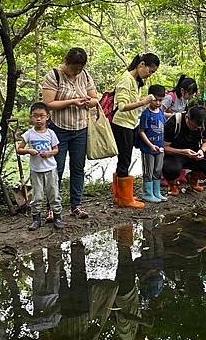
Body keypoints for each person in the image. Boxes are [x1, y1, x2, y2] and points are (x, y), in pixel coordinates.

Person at [42, 47, 99, 219]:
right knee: (56, 169)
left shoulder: (85, 75)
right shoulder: (54, 76)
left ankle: (77, 205)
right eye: (74, 69)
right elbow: (48, 103)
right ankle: (52, 206)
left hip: (80, 128)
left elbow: (96, 98)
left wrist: (89, 102)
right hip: (58, 129)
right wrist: (72, 101)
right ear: (67, 63)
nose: (76, 73)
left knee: (77, 168)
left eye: (80, 69)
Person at [111, 53, 160, 209]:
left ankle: (121, 195)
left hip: (131, 124)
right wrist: (143, 102)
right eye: (150, 71)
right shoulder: (126, 80)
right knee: (124, 159)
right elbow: (122, 106)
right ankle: (125, 199)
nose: (149, 74)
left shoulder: (135, 81)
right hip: (122, 125)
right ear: (142, 64)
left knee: (125, 159)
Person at [16, 102, 63, 230]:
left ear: (47, 116)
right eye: (35, 116)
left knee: (54, 194)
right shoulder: (29, 134)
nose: (38, 119)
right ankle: (36, 219)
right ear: (31, 117)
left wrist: (49, 154)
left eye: (41, 116)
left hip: (50, 169)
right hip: (36, 170)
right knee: (37, 196)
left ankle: (58, 217)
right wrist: (29, 151)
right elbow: (19, 149)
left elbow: (56, 149)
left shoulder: (51, 133)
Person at [163, 106, 206, 196]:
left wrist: (202, 151)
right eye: (193, 126)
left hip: (195, 152)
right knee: (172, 169)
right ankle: (172, 185)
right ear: (187, 117)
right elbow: (165, 148)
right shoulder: (174, 121)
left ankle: (193, 178)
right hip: (174, 153)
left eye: (197, 127)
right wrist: (183, 151)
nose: (195, 129)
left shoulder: (203, 123)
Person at [137, 84, 167, 203]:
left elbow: (163, 126)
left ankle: (156, 191)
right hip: (148, 149)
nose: (158, 103)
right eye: (156, 100)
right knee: (148, 171)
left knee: (158, 169)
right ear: (150, 98)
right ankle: (147, 193)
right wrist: (150, 145)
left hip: (159, 148)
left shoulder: (160, 112)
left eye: (161, 100)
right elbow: (141, 131)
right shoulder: (146, 114)